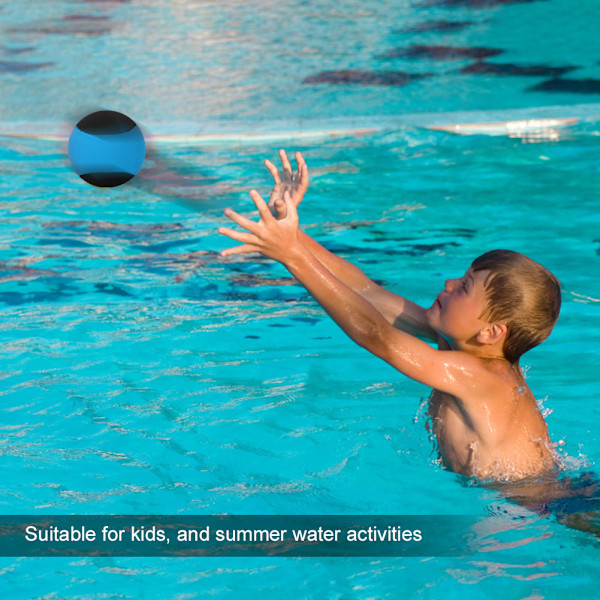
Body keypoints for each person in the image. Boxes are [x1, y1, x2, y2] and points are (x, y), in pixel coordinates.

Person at [217, 149, 562, 483]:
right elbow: (367, 292)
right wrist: (288, 234)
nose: (450, 282)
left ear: (491, 332)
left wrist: (292, 257)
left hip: (525, 508)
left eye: (465, 287)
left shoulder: (480, 375)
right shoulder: (458, 345)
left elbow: (377, 336)